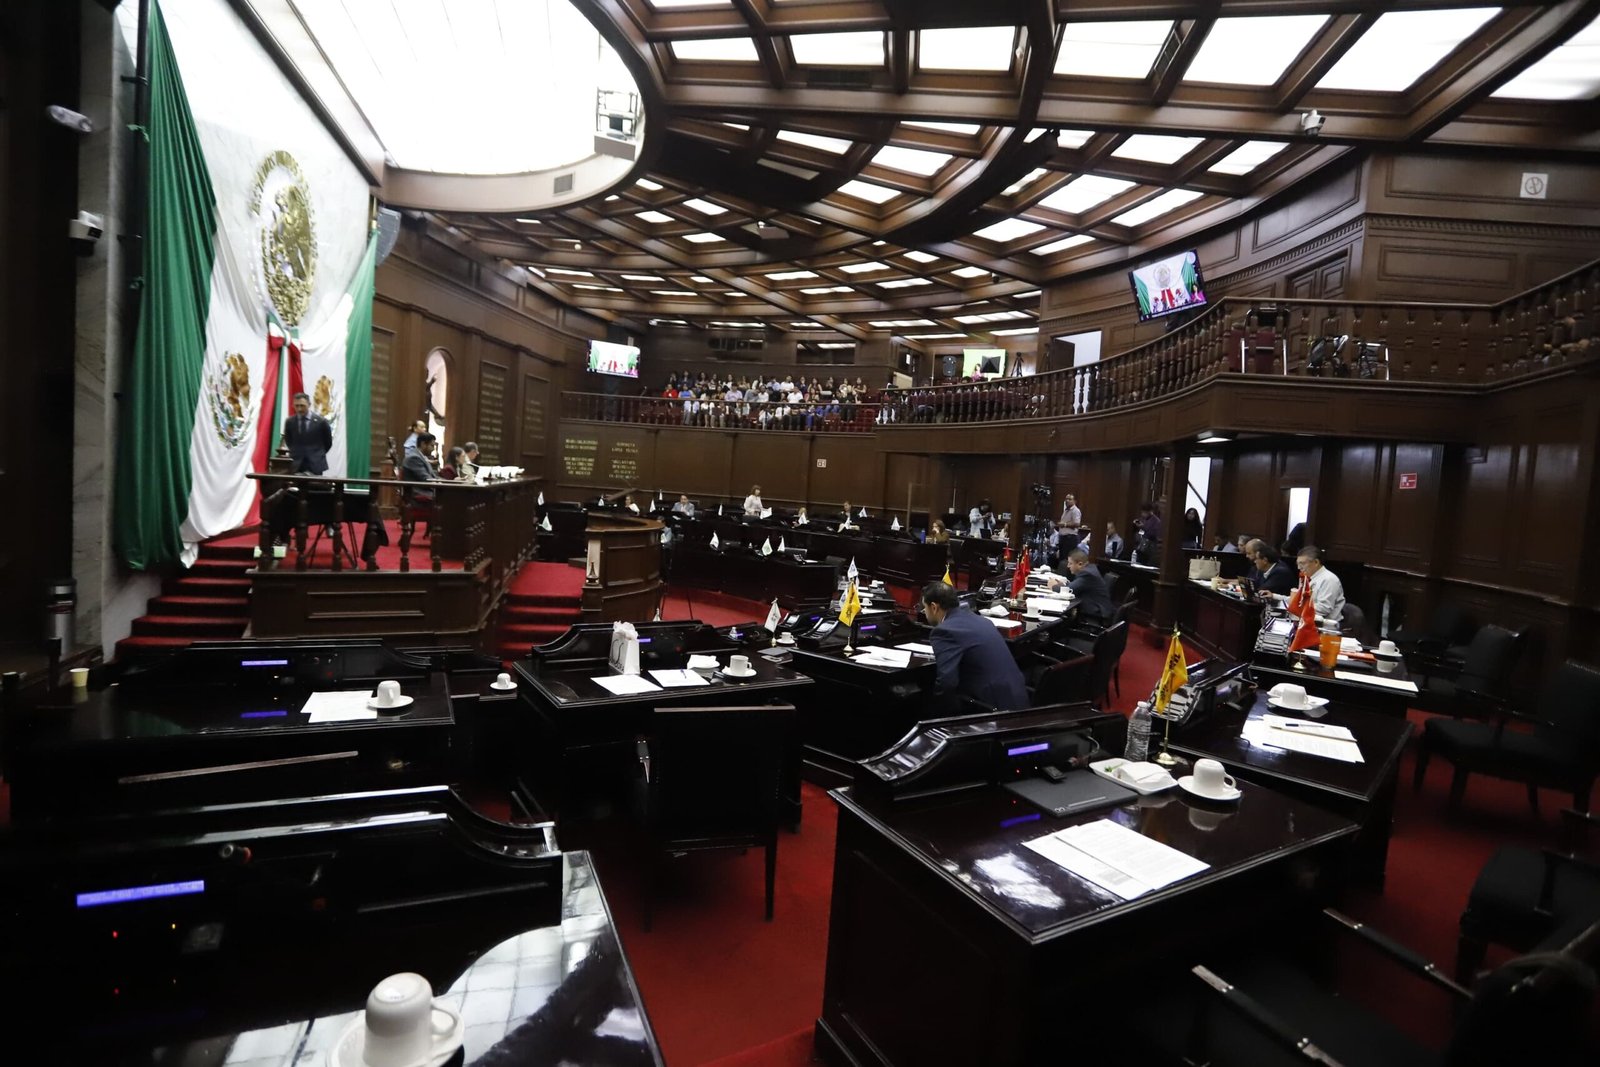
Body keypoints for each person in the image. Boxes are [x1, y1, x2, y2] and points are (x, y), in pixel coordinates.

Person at [920, 581, 1028, 711]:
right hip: (1020, 700)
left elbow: (947, 682)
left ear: (934, 607)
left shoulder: (945, 631)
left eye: (924, 608)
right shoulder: (983, 621)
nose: (925, 613)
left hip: (992, 710)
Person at [1267, 545, 1345, 623]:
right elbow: (1297, 600)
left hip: (1325, 625)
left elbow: (1324, 609)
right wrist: (1274, 596)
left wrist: (1297, 607)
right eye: (1298, 564)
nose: (1299, 568)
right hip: (1306, 621)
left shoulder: (1329, 579)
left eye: (1302, 563)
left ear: (1316, 562)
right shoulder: (1307, 578)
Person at [1048, 549, 1115, 625]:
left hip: (1094, 616)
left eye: (1070, 563)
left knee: (1061, 621)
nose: (1068, 566)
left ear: (1080, 564)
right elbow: (1075, 587)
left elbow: (1070, 590)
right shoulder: (1089, 569)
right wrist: (1062, 585)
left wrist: (1054, 586)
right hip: (1094, 611)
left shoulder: (1087, 574)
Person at [283, 391, 333, 474]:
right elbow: (289, 441)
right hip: (296, 464)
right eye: (296, 406)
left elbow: (328, 442)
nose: (299, 409)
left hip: (315, 464)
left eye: (302, 406)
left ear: (309, 405)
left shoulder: (321, 422)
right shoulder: (290, 422)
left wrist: (317, 454)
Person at [401, 432, 439, 501]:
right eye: (432, 446)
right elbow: (427, 479)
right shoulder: (414, 458)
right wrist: (441, 483)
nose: (433, 449)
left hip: (425, 491)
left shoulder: (421, 456)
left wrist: (451, 481)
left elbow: (433, 477)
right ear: (423, 444)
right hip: (418, 494)